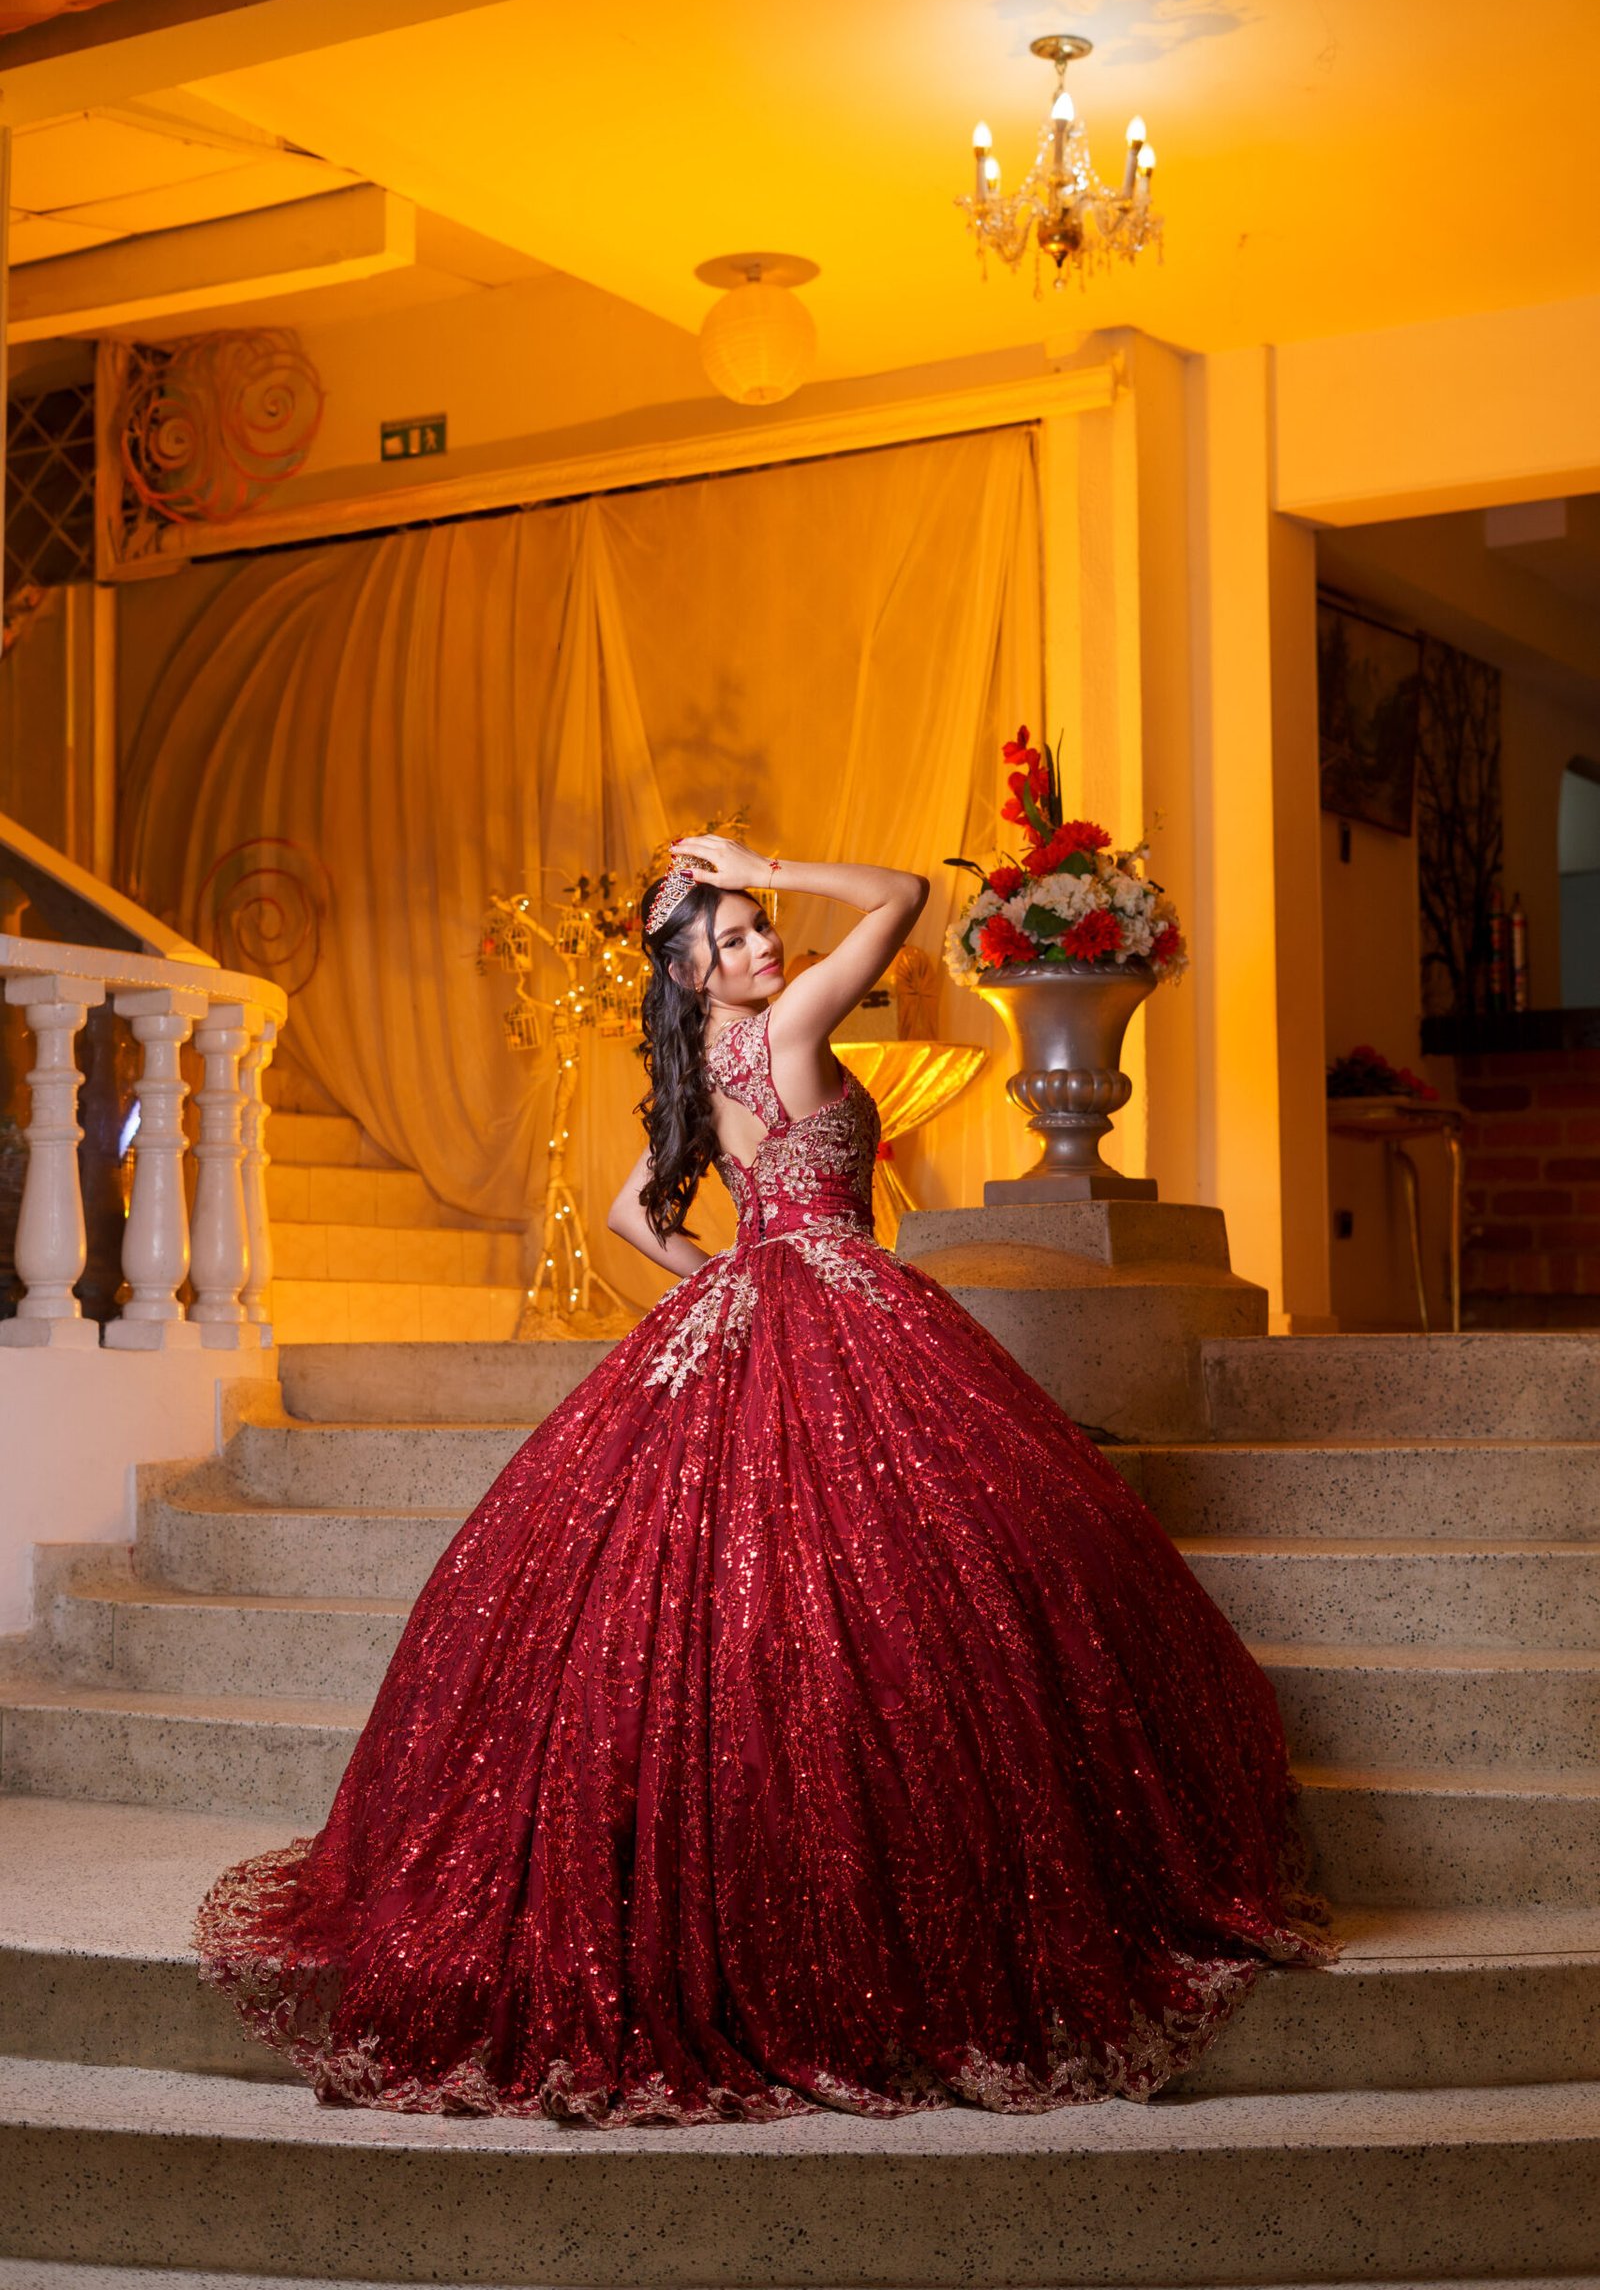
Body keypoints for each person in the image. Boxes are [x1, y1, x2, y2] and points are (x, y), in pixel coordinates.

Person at [194, 833, 1334, 2128]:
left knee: (787, 1587)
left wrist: (732, 1277)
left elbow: (632, 1214)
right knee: (903, 1578)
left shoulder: (697, 1065)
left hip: (760, 1302)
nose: (763, 942)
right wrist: (768, 861)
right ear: (692, 973)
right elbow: (906, 895)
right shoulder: (788, 1025)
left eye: (757, 923)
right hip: (842, 1301)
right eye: (732, 936)